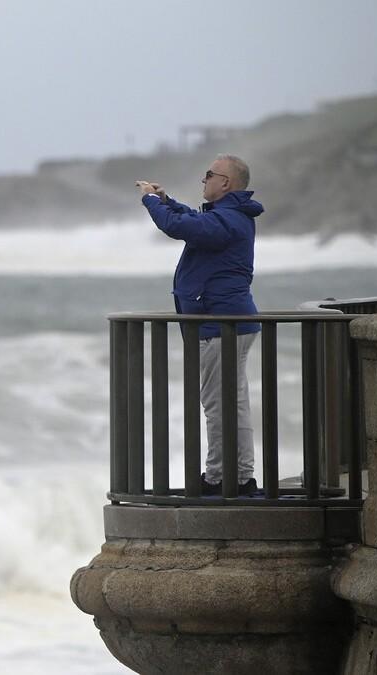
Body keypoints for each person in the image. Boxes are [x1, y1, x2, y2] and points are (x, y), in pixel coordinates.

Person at [135, 154, 263, 496]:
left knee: (219, 405)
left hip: (221, 323)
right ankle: (240, 477)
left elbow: (180, 227)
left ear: (226, 183)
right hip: (227, 321)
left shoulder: (229, 221)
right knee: (231, 404)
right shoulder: (228, 217)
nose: (203, 180)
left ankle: (220, 479)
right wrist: (166, 200)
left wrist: (150, 202)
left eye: (209, 175)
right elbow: (190, 219)